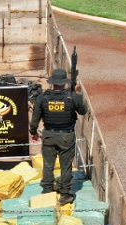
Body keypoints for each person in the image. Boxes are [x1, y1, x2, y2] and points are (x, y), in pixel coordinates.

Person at [29, 68, 88, 206]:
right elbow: (83, 110)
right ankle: (65, 195)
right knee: (65, 167)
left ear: (52, 83)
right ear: (64, 83)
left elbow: (35, 119)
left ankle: (47, 191)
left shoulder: (43, 97)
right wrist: (78, 93)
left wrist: (33, 132)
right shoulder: (72, 96)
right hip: (66, 136)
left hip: (49, 135)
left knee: (48, 165)